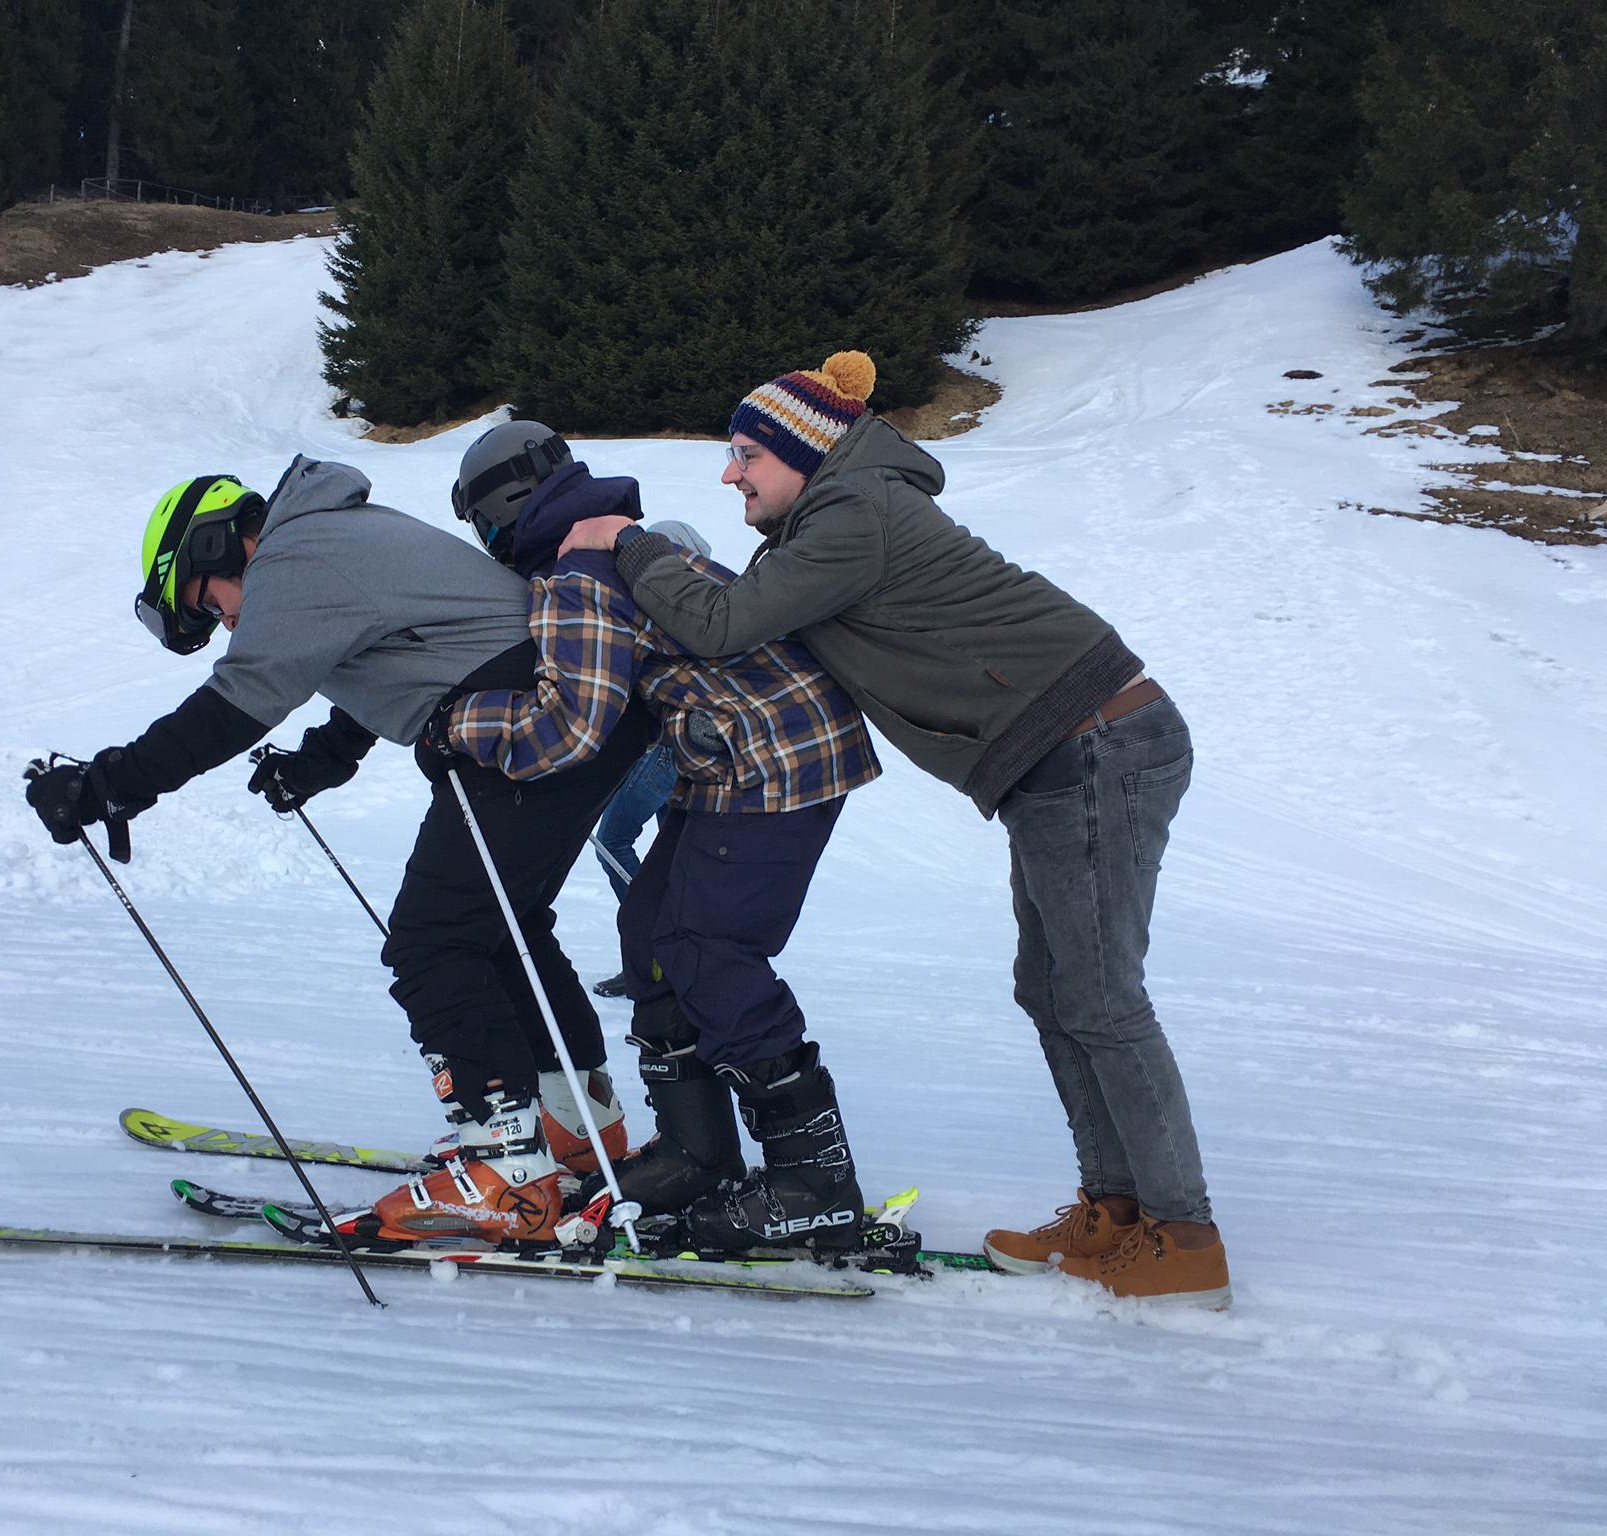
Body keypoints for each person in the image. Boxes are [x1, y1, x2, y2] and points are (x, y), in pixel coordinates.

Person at [559, 351, 1228, 1306]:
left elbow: (723, 623)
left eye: (745, 452)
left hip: (1096, 743)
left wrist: (628, 545)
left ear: (800, 450)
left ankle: (1185, 1233)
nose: (729, 473)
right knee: (1051, 988)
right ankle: (1116, 1210)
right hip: (1054, 756)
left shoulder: (853, 515)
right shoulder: (831, 518)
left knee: (1100, 996)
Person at [25, 461, 644, 1248]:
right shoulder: (329, 542)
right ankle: (574, 1130)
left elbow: (237, 702)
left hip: (528, 718)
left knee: (434, 942)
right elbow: (397, 652)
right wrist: (320, 760)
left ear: (218, 546)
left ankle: (504, 1170)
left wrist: (109, 785)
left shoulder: (293, 555)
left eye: (208, 603)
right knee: (502, 930)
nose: (224, 624)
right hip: (570, 709)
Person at [435, 420, 881, 1252]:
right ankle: (697, 1152)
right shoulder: (611, 542)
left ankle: (812, 1181)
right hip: (752, 756)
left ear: (499, 512)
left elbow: (566, 729)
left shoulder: (577, 573)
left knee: (709, 950)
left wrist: (458, 722)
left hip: (771, 765)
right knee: (648, 933)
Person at [586, 519, 712, 999]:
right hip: (674, 749)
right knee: (671, 859)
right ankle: (668, 958)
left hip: (663, 751)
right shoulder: (698, 611)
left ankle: (651, 949)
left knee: (611, 841)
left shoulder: (670, 615)